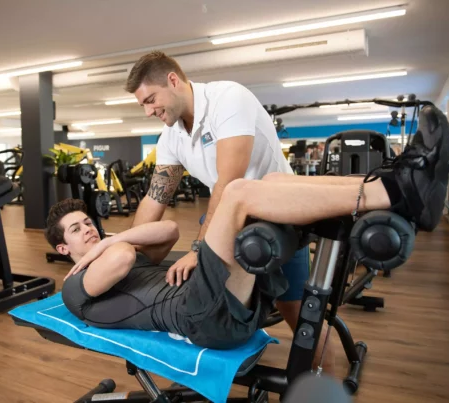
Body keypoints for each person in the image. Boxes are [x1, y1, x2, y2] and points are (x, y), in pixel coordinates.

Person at [46, 103, 449, 354]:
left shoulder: (115, 251)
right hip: (200, 317)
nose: (88, 230)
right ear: (64, 251)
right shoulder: (76, 286)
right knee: (238, 192)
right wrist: (107, 245)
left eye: (87, 222)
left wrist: (116, 236)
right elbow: (120, 257)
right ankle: (397, 191)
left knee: (270, 182)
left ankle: (391, 185)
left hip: (216, 303)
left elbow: (167, 231)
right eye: (76, 231)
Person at [122, 50, 332, 369]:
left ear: (173, 80)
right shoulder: (171, 137)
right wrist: (128, 251)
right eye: (143, 105)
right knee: (223, 309)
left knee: (300, 315)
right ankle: (225, 371)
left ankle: (328, 380)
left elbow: (229, 183)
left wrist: (198, 248)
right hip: (233, 223)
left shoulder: (228, 99)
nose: (149, 111)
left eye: (151, 100)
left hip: (280, 219)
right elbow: (155, 197)